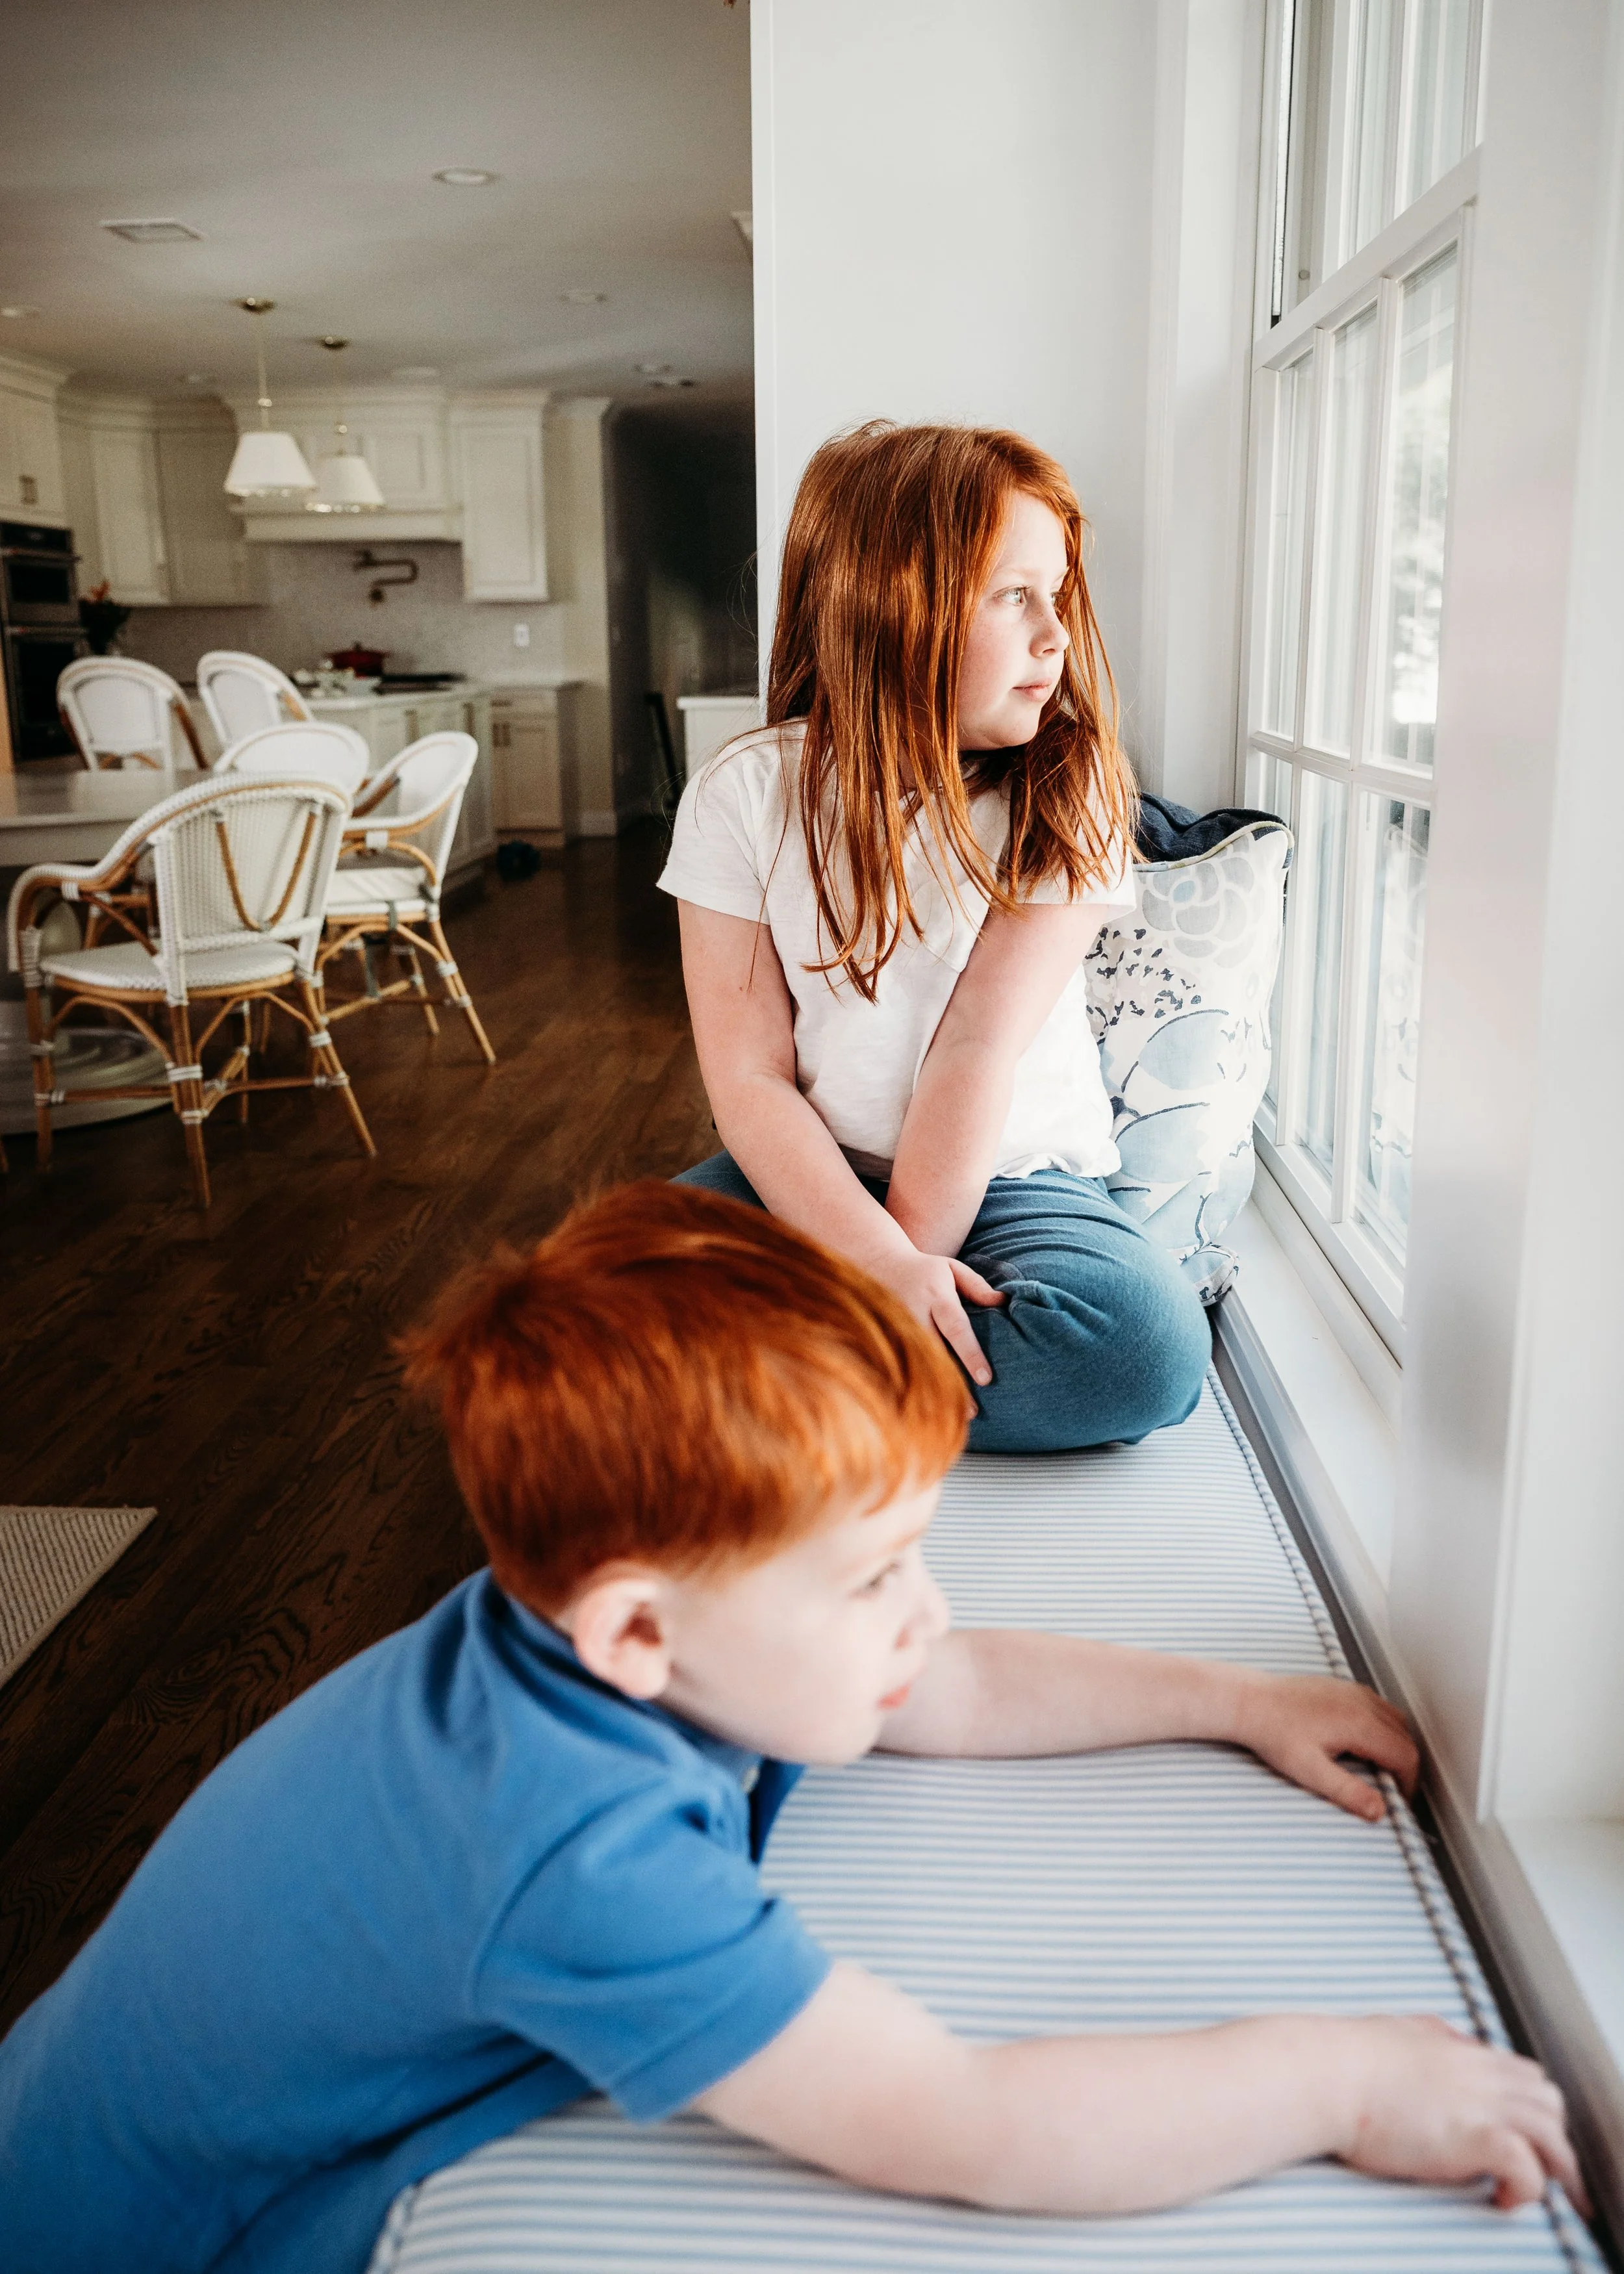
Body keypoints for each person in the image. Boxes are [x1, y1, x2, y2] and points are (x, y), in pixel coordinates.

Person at [0, 1185, 1583, 2274]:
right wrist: (1334, 2079)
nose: (924, 1614)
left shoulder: (599, 1632)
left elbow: (945, 1690)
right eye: (871, 1576)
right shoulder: (573, 1841)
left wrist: (1237, 1697)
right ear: (635, 1628)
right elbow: (963, 2122)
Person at [661, 420, 1212, 1453]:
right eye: (1015, 596)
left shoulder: (1070, 786)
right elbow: (749, 1080)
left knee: (1140, 1352)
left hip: (1011, 1180)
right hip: (807, 1170)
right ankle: (870, 1390)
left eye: (1058, 595)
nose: (1057, 634)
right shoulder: (745, 792)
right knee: (602, 1294)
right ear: (892, 600)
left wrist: (900, 1268)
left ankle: (787, 1399)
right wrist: (869, 1259)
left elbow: (976, 1045)